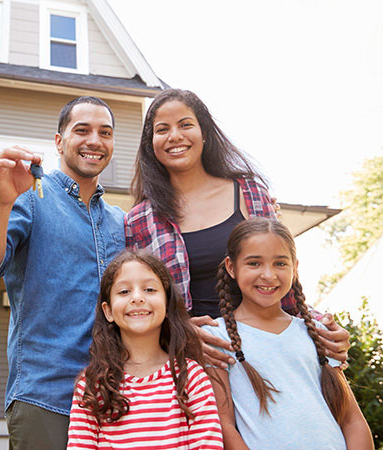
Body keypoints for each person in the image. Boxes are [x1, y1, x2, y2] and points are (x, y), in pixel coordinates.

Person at [125, 88, 350, 369]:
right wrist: (178, 333)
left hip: (264, 351)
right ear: (151, 143)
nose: (175, 136)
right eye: (162, 129)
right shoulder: (139, 220)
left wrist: (322, 327)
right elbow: (139, 302)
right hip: (193, 362)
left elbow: (283, 279)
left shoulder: (251, 192)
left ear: (204, 133)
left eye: (185, 125)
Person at [0, 96, 125, 450]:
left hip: (115, 399)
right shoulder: (31, 197)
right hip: (47, 397)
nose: (95, 140)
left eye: (105, 132)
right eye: (82, 130)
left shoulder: (120, 221)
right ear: (59, 141)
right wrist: (1, 201)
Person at [203, 218, 373, 449]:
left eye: (280, 264)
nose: (269, 275)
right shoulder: (216, 336)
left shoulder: (317, 331)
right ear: (231, 267)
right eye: (254, 263)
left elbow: (352, 420)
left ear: (295, 268)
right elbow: (224, 425)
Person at [67, 248, 223, 449]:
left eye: (149, 290)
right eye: (124, 291)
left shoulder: (191, 376)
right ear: (108, 311)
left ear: (167, 304)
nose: (137, 298)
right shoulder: (92, 385)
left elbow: (208, 445)